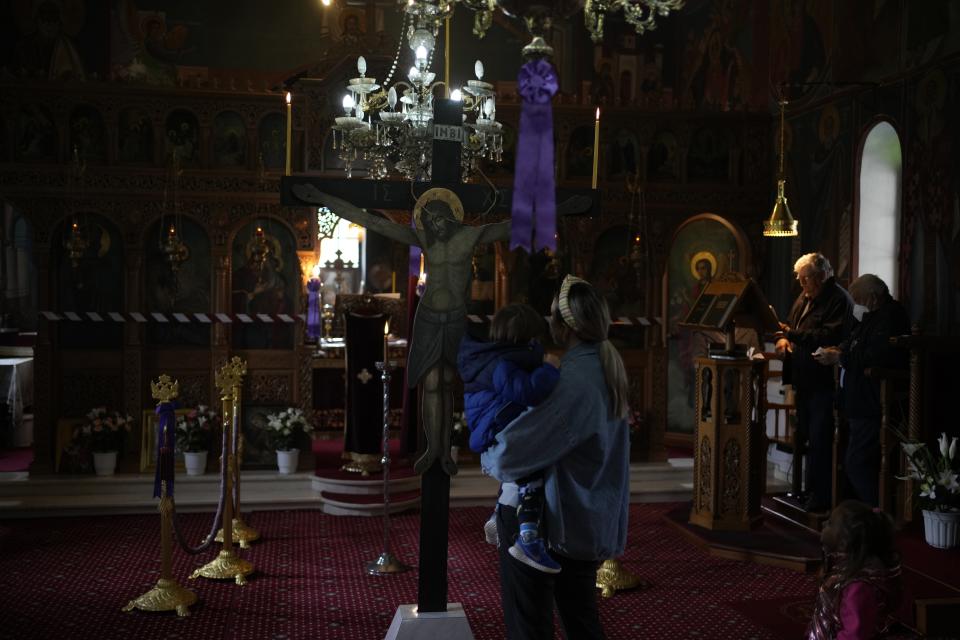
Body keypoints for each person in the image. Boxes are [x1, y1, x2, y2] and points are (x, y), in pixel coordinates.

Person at [291, 183, 510, 475]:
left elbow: (512, 225)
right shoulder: (423, 238)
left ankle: (444, 450)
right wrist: (322, 197)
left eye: (439, 219)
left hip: (455, 318)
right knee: (431, 384)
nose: (434, 225)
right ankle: (433, 447)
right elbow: (371, 221)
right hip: (429, 318)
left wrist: (557, 210)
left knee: (447, 383)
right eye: (429, 220)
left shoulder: (471, 236)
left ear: (452, 217)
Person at [481, 275, 630, 640]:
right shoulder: (604, 366)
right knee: (581, 622)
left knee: (529, 627)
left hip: (552, 523)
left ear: (566, 325)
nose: (549, 322)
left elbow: (516, 452)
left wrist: (489, 451)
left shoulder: (577, 378)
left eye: (552, 315)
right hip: (586, 520)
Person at [458, 303, 562, 573]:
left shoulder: (493, 359)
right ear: (526, 338)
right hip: (498, 431)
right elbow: (527, 391)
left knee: (523, 471)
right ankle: (528, 539)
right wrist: (549, 368)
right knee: (532, 473)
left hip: (494, 430)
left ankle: (499, 511)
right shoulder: (502, 364)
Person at [813, 275, 910, 506]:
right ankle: (858, 515)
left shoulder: (891, 316)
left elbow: (875, 354)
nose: (854, 303)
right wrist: (838, 350)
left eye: (857, 299)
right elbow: (853, 342)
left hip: (872, 403)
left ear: (873, 297)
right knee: (849, 464)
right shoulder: (870, 315)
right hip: (857, 402)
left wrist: (840, 356)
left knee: (856, 464)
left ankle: (877, 514)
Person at [776, 253, 853, 512]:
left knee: (821, 440)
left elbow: (827, 334)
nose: (802, 285)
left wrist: (790, 334)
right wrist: (783, 340)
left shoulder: (837, 299)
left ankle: (820, 497)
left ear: (821, 276)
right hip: (803, 379)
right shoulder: (805, 296)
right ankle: (804, 492)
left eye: (805, 279)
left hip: (824, 383)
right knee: (806, 436)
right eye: (799, 279)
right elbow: (789, 324)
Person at [807, 500, 901, 640]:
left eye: (831, 522)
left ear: (844, 541)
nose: (824, 523)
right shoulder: (842, 566)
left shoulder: (858, 587)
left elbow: (855, 634)